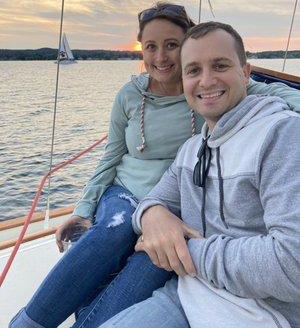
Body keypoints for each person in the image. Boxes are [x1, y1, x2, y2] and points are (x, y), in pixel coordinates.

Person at [9, 8, 300, 328]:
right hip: (130, 194)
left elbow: (275, 94)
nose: (161, 56)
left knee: (153, 259)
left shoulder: (271, 128)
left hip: (241, 294)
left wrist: (180, 243)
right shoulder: (173, 130)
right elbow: (112, 154)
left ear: (245, 73)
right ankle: (28, 322)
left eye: (171, 45)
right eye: (150, 46)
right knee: (116, 229)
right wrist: (103, 209)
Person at [98, 22, 300, 328]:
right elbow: (153, 200)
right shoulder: (193, 148)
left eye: (219, 65)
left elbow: (291, 266)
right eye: (193, 70)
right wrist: (152, 215)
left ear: (246, 73)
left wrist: (186, 250)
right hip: (185, 296)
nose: (206, 81)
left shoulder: (280, 135)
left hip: (260, 313)